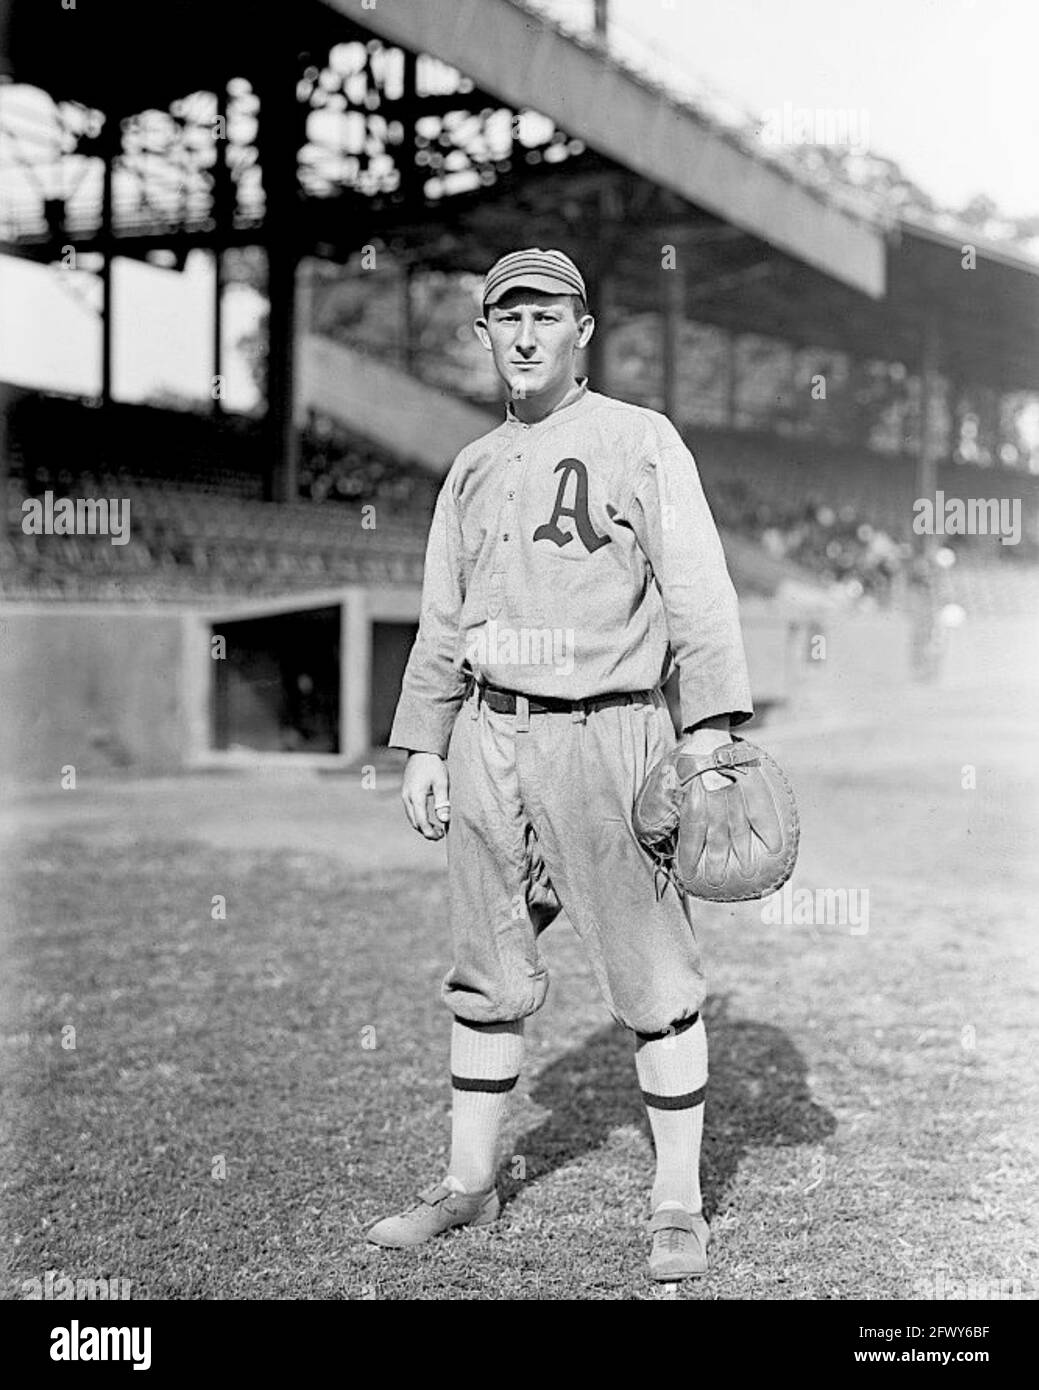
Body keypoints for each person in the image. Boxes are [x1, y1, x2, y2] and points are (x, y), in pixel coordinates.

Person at [367, 248, 754, 1280]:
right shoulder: (471, 464)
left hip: (608, 730)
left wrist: (708, 731)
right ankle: (466, 1185)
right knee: (484, 970)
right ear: (485, 335)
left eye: (546, 315)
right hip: (487, 735)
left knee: (655, 974)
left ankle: (676, 1202)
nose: (525, 335)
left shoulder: (639, 439)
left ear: (582, 328)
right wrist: (419, 745)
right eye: (507, 318)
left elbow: (699, 593)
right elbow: (441, 619)